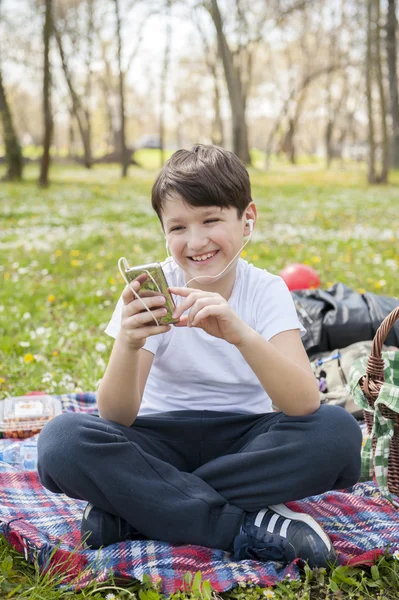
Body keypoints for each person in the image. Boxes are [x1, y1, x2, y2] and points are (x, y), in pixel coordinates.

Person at [38, 144, 362, 568]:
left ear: (247, 220)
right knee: (61, 441)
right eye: (178, 227)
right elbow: (116, 417)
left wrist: (240, 335)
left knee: (337, 433)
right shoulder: (151, 292)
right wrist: (129, 343)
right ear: (163, 232)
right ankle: (239, 529)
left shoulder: (265, 290)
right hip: (157, 441)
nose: (196, 241)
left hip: (248, 441)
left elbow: (302, 403)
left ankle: (137, 508)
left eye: (211, 219)